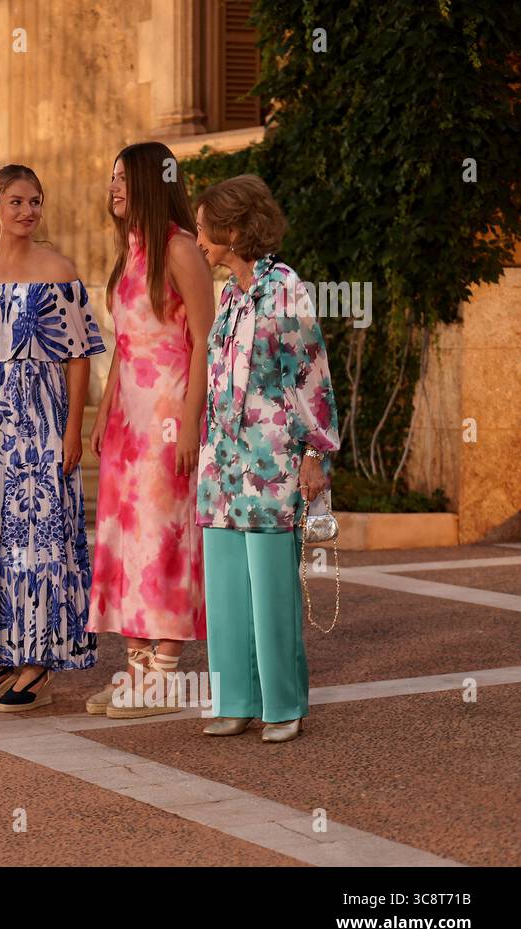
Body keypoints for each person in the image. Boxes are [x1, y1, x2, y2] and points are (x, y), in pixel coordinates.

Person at [0, 164, 106, 713]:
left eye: (35, 201)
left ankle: (38, 662)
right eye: (16, 201)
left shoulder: (58, 270)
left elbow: (79, 356)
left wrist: (73, 429)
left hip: (39, 420)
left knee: (35, 535)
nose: (28, 211)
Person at [192, 174, 340, 743]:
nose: (199, 241)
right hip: (223, 465)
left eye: (205, 229)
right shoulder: (230, 294)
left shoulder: (285, 288)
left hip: (273, 461)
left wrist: (315, 453)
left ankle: (282, 705)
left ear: (232, 230)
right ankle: (235, 701)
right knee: (226, 590)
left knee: (272, 590)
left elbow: (310, 374)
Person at [85, 142, 213, 719]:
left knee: (164, 537)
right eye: (112, 178)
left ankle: (163, 676)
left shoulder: (180, 248)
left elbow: (205, 340)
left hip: (168, 413)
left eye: (122, 178)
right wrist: (105, 413)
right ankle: (135, 671)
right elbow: (124, 345)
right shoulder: (131, 251)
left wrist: (189, 423)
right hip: (127, 421)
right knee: (125, 541)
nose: (113, 187)